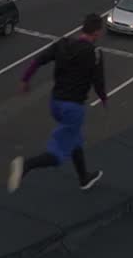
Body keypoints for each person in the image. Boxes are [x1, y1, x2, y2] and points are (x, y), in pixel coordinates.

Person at [7, 13, 107, 193]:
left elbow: (39, 60)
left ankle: (84, 177)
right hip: (73, 108)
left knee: (75, 138)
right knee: (58, 154)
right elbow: (98, 84)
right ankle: (26, 165)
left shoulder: (63, 44)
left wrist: (25, 79)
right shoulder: (94, 54)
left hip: (56, 103)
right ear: (97, 32)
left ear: (83, 27)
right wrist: (104, 99)